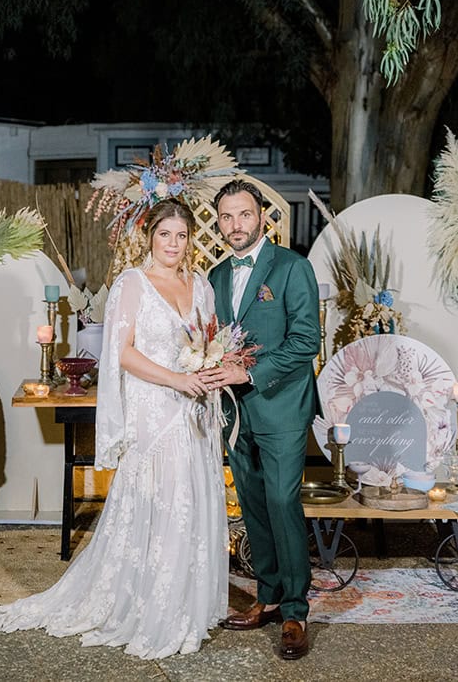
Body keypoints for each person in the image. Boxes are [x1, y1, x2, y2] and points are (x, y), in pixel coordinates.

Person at [0, 198, 229, 659]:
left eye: (182, 235)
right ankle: (150, 606)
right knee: (159, 501)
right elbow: (122, 353)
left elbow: (209, 339)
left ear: (191, 240)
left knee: (189, 502)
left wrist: (210, 370)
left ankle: (185, 605)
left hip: (195, 412)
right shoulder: (133, 283)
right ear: (150, 236)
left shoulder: (202, 285)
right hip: (155, 411)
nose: (173, 244)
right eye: (165, 234)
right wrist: (177, 378)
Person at [198, 179, 320, 660]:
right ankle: (267, 596)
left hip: (283, 406)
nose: (235, 226)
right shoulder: (216, 276)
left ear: (262, 217)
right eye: (226, 217)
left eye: (243, 215)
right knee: (252, 504)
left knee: (282, 501)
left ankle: (296, 610)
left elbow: (305, 340)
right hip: (233, 412)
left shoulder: (292, 268)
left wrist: (248, 372)